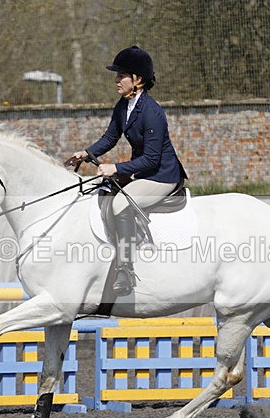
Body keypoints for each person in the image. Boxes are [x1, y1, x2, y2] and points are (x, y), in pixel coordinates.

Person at [70, 45, 187, 296]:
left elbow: (152, 159)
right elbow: (110, 137)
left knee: (121, 203)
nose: (116, 81)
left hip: (162, 175)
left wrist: (116, 167)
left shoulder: (153, 112)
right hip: (145, 171)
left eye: (121, 76)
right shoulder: (124, 105)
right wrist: (87, 153)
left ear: (138, 80)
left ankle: (125, 270)